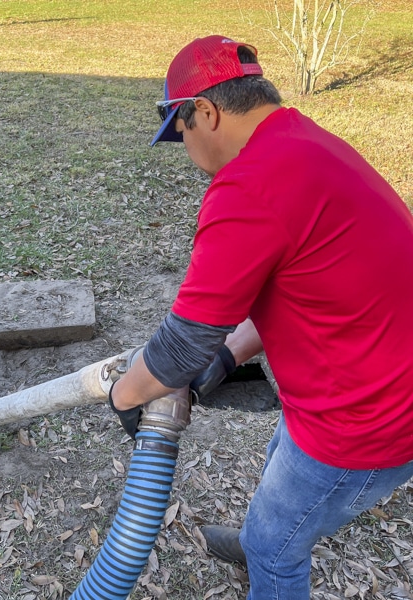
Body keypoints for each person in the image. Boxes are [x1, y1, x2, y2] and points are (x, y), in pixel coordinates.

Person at [109, 34, 413, 599]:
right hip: (377, 371)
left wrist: (125, 395)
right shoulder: (303, 141)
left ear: (205, 111)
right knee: (281, 465)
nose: (187, 151)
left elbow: (182, 344)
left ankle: (263, 546)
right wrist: (229, 355)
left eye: (183, 133)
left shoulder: (249, 187)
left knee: (279, 549)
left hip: (367, 417)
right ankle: (255, 536)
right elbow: (303, 291)